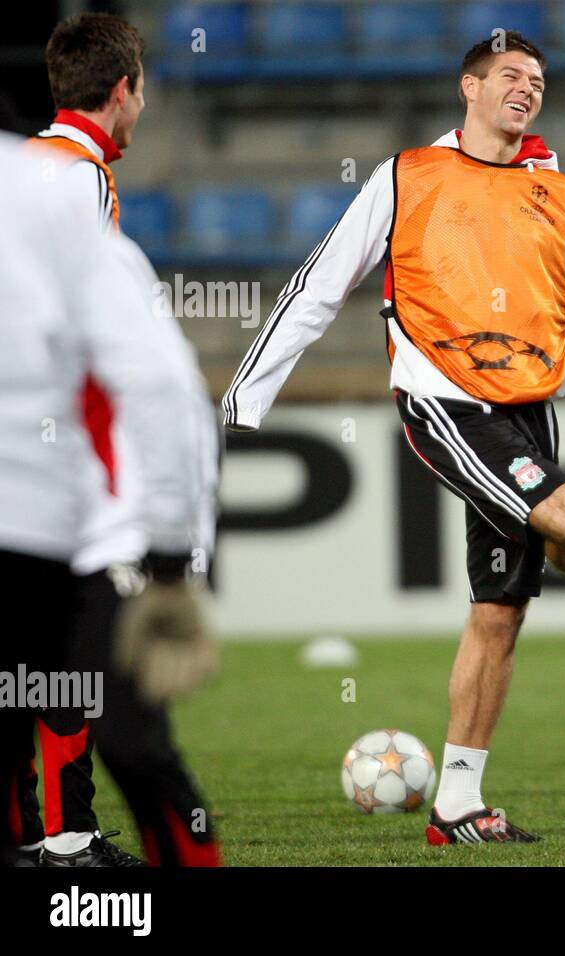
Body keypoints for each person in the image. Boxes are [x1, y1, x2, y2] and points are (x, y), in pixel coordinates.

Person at [221, 32, 565, 846]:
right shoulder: (405, 176)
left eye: (538, 81)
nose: (527, 89)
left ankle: (456, 806)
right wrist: (246, 400)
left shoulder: (561, 197)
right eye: (511, 76)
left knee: (499, 612)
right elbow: (317, 288)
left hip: (528, 409)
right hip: (444, 402)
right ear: (469, 87)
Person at [22, 12, 221, 867]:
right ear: (122, 91)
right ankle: (69, 835)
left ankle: (48, 832)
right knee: (84, 667)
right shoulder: (79, 180)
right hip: (53, 462)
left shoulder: (29, 165)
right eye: (142, 88)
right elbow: (99, 340)